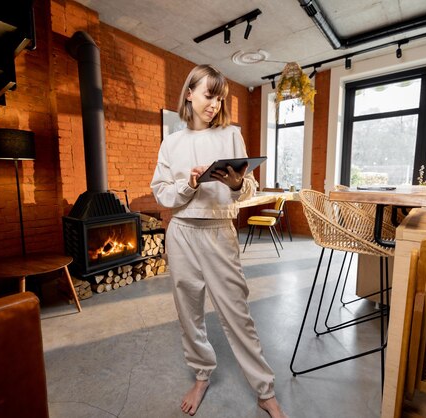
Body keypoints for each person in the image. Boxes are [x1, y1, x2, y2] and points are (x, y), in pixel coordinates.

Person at [150, 64, 288, 418]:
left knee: (237, 313)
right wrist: (190, 185)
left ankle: (264, 389)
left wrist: (236, 185)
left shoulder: (231, 135)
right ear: (190, 93)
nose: (214, 104)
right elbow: (163, 194)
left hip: (218, 230)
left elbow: (248, 189)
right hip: (181, 232)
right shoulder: (172, 143)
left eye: (219, 98)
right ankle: (201, 375)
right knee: (189, 312)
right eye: (209, 95)